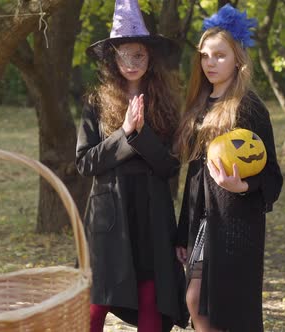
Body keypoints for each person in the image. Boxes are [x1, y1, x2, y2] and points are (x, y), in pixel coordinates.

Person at [76, 1, 188, 331]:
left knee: (152, 298)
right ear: (113, 58)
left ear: (150, 57)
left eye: (138, 54)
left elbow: (170, 166)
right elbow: (85, 162)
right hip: (110, 212)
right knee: (95, 302)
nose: (131, 63)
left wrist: (142, 135)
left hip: (153, 212)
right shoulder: (95, 102)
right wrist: (124, 133)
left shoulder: (166, 102)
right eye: (123, 55)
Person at [174, 4, 283, 332]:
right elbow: (194, 177)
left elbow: (273, 176)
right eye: (205, 56)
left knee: (226, 311)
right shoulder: (199, 106)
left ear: (238, 59)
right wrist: (182, 232)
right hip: (203, 221)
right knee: (195, 300)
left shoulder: (249, 108)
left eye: (219, 55)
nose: (210, 62)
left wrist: (243, 187)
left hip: (236, 223)